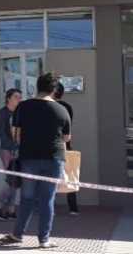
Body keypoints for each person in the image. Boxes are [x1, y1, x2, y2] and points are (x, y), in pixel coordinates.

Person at [0, 73, 71, 249]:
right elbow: (67, 138)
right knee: (47, 200)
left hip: (29, 158)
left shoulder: (23, 107)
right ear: (54, 90)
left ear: (37, 87)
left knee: (27, 197)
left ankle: (17, 235)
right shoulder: (62, 109)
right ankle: (44, 240)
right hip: (54, 158)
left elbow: (16, 135)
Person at [0, 88, 22, 221]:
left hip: (19, 150)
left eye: (20, 97)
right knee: (11, 180)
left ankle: (11, 209)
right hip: (8, 151)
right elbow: (2, 134)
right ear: (8, 98)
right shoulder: (3, 114)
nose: (18, 99)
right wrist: (12, 148)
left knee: (16, 181)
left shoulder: (19, 113)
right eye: (16, 97)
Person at [52, 83, 80, 216]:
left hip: (51, 147)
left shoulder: (49, 106)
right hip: (66, 145)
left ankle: (49, 206)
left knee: (50, 177)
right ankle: (73, 208)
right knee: (70, 175)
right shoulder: (67, 107)